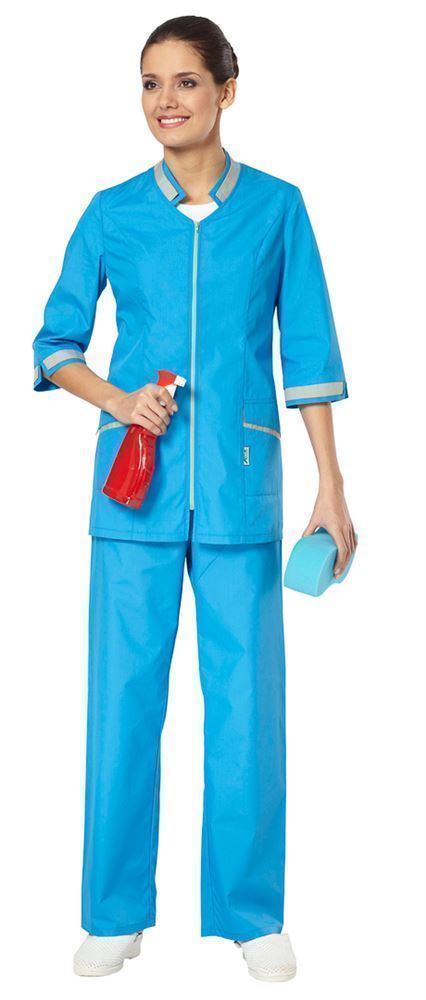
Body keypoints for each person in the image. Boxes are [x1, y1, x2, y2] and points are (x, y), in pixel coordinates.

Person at [32, 14, 357, 982]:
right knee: (122, 706)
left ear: (226, 89)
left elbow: (309, 354)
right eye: (150, 83)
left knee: (247, 710)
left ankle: (251, 914)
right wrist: (116, 398)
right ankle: (114, 911)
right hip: (132, 491)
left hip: (240, 488)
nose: (165, 101)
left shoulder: (279, 209)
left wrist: (332, 489)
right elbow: (56, 344)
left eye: (184, 81)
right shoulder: (111, 212)